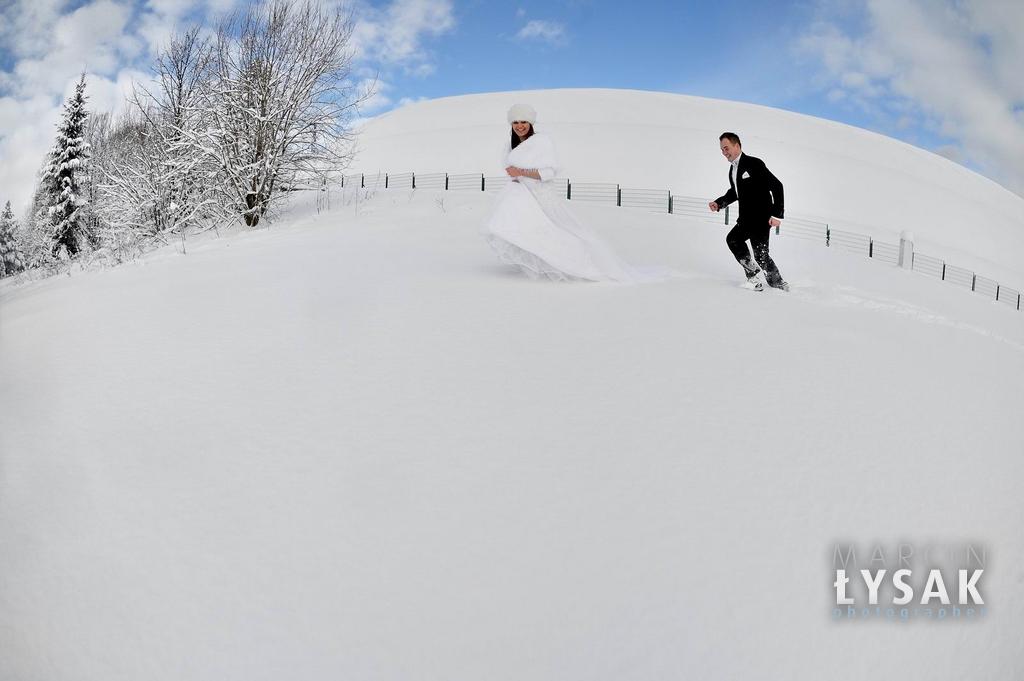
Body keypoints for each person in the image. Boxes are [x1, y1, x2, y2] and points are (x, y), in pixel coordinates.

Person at [481, 104, 667, 282]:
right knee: (520, 229)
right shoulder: (509, 146)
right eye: (515, 122)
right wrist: (516, 178)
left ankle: (581, 265)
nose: (519, 126)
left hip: (541, 197)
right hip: (523, 197)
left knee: (559, 232)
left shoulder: (541, 142)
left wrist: (520, 172)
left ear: (531, 123)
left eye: (524, 121)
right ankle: (541, 264)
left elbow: (548, 173)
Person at [708, 132, 788, 291]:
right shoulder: (733, 169)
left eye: (726, 148)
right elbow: (735, 192)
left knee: (759, 254)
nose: (724, 153)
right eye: (722, 150)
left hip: (761, 218)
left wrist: (776, 215)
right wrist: (719, 203)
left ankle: (777, 284)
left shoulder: (754, 164)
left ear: (736, 145)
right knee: (735, 241)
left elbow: (777, 186)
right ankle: (754, 276)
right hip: (746, 218)